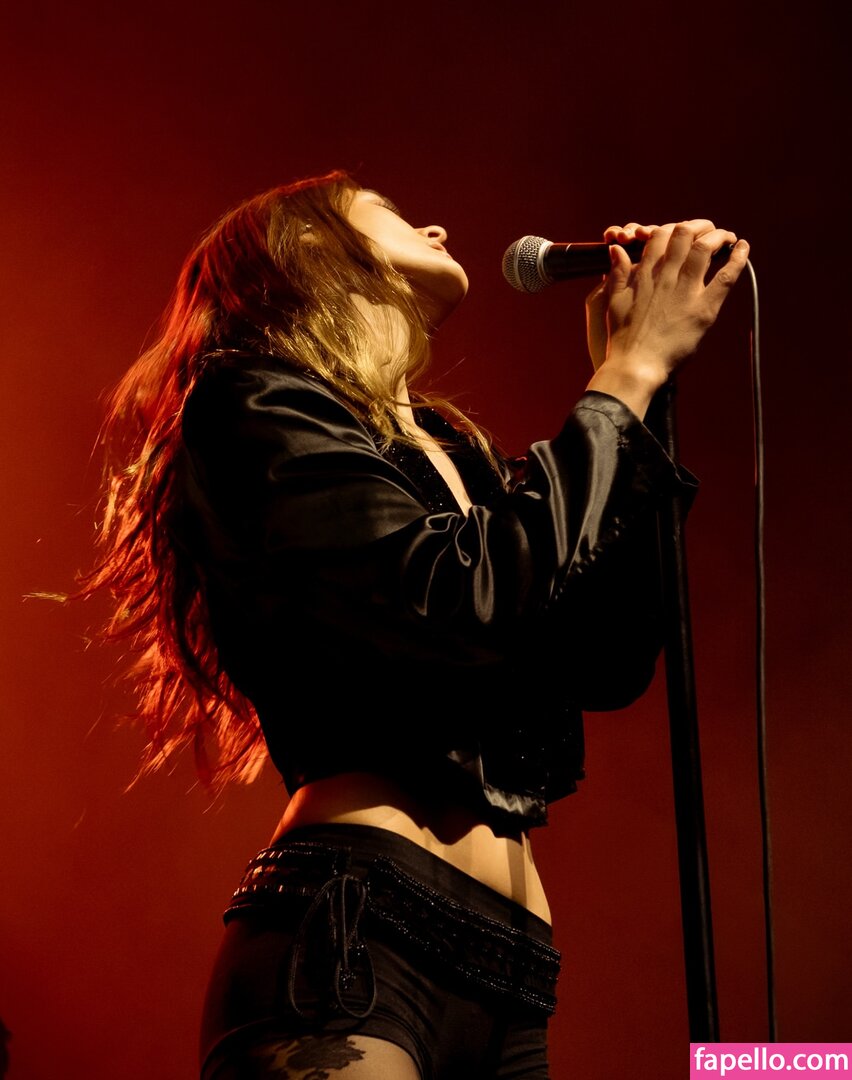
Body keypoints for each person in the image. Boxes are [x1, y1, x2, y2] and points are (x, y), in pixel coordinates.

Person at [83, 170, 749, 1079]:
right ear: (308, 247)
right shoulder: (253, 404)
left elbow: (607, 659)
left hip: (514, 968)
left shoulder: (460, 454)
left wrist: (640, 404)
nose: (435, 225)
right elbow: (455, 599)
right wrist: (621, 378)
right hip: (355, 928)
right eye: (391, 212)